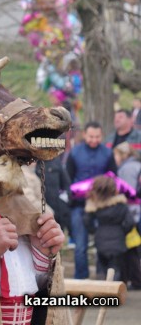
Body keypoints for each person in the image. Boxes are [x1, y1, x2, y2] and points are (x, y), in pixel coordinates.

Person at [66, 121, 117, 279]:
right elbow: (68, 179)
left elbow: (114, 178)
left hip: (102, 206)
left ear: (101, 136)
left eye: (97, 137)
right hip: (79, 205)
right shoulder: (75, 153)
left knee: (103, 244)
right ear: (85, 135)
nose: (94, 140)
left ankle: (103, 279)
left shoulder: (108, 153)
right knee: (80, 246)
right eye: (91, 136)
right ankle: (81, 280)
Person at [84, 175, 135, 281]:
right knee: (116, 269)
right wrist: (123, 231)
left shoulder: (95, 206)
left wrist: (94, 231)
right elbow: (130, 222)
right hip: (119, 241)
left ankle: (103, 293)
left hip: (101, 240)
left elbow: (86, 220)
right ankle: (115, 293)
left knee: (102, 269)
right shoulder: (122, 205)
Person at [112, 142, 141, 289]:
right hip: (135, 211)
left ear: (123, 155)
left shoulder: (128, 168)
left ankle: (135, 280)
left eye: (116, 155)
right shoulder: (134, 165)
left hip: (132, 212)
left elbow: (128, 192)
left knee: (132, 248)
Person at [36, 155, 71, 236]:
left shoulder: (55, 162)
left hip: (57, 207)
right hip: (40, 210)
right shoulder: (32, 164)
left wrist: (64, 202)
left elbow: (66, 184)